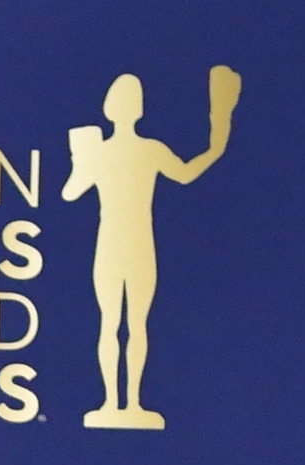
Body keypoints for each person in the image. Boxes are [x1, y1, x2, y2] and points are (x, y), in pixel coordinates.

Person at [63, 66, 240, 430]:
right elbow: (190, 171)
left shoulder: (110, 152)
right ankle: (124, 403)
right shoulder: (147, 150)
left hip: (116, 245)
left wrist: (80, 157)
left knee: (113, 324)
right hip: (135, 245)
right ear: (138, 110)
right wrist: (220, 133)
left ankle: (119, 403)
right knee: (131, 324)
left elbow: (70, 191)